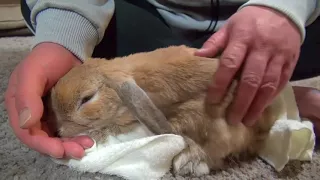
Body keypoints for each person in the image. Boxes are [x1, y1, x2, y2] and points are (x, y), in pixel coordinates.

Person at [4, 0, 320, 160]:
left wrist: (285, 10)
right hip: (154, 18)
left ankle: (267, 95)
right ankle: (275, 97)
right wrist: (61, 36)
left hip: (290, 22)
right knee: (115, 55)